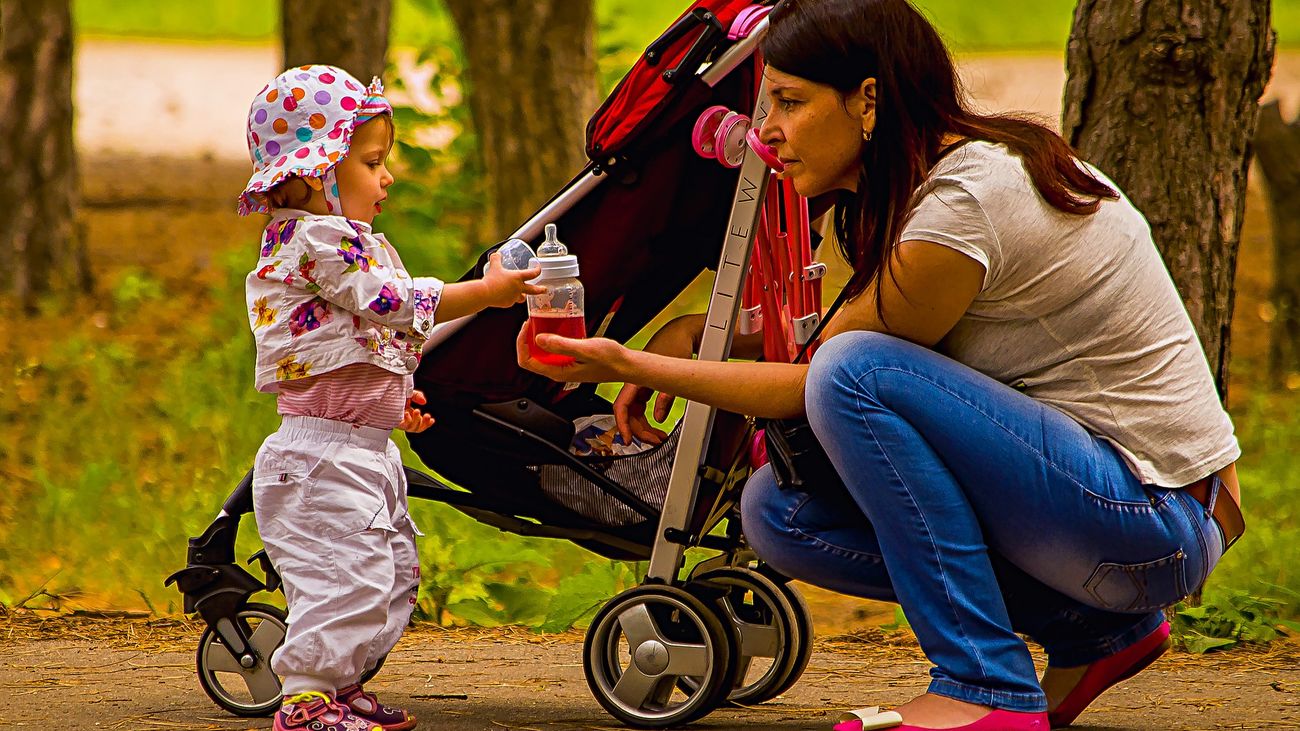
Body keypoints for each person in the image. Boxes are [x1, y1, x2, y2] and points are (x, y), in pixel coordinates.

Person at [516, 1, 1245, 729]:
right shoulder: (942, 181)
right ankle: (1096, 636)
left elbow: (826, 373)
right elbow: (857, 328)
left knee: (851, 373)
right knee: (777, 513)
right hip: (1117, 516)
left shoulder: (967, 202)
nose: (766, 129)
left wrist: (624, 360)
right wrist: (694, 335)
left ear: (868, 99)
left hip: (1151, 519)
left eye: (790, 102)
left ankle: (983, 685)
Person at [241, 64, 542, 731]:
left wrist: (388, 402)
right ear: (314, 172)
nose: (388, 177)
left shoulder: (343, 241)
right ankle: (305, 699)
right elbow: (391, 304)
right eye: (373, 162)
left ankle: (339, 686)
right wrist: (484, 296)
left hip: (358, 445)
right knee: (344, 576)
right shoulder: (313, 239)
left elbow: (349, 344)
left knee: (384, 571)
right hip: (320, 457)